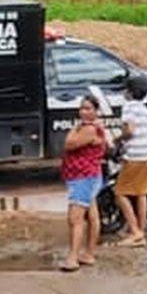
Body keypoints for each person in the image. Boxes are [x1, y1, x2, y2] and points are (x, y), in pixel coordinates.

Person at [59, 94, 108, 272]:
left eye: (88, 108)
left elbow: (69, 144)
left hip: (84, 177)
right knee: (92, 216)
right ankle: (89, 253)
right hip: (89, 175)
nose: (83, 112)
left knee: (75, 218)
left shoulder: (88, 130)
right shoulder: (94, 128)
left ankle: (72, 258)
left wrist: (74, 129)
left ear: (96, 111)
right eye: (82, 108)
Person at [115, 73, 147, 247]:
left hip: (136, 156)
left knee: (120, 193)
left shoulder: (130, 107)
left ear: (129, 92)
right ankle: (140, 231)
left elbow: (130, 131)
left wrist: (118, 139)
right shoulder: (144, 108)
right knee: (141, 194)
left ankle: (135, 232)